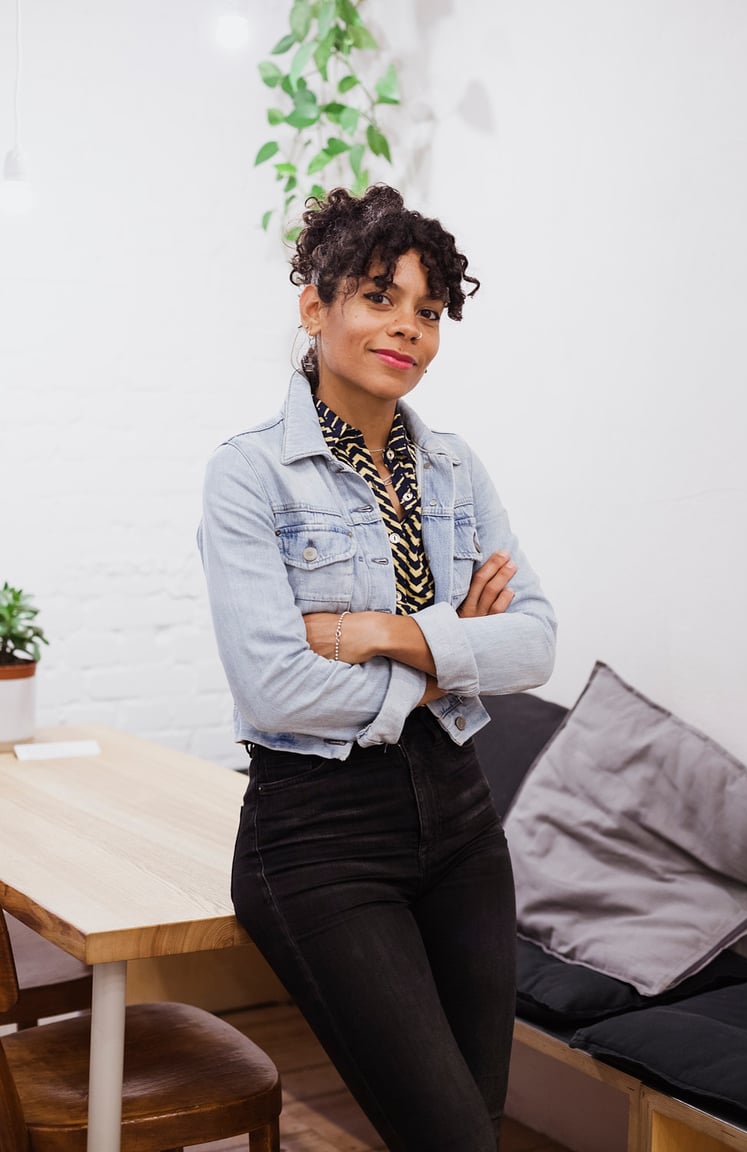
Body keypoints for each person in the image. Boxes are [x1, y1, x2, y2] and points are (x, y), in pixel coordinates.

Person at [198, 184, 556, 1152]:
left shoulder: (453, 469)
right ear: (315, 309)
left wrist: (391, 633)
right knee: (452, 1137)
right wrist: (452, 658)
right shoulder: (250, 474)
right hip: (318, 837)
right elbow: (278, 687)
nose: (407, 328)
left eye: (428, 311)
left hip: (461, 820)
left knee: (472, 1125)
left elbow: (537, 640)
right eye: (378, 297)